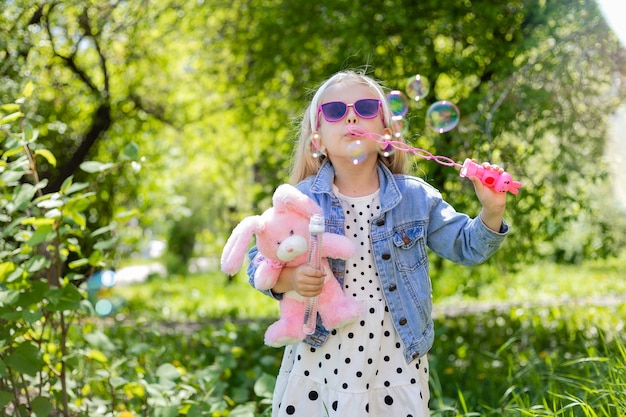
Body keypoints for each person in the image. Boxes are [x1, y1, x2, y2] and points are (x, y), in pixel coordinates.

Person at [246, 70, 509, 416]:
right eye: (336, 111)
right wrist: (288, 281)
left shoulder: (415, 197)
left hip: (395, 361)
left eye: (366, 107)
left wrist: (491, 210)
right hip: (322, 360)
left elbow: (467, 246)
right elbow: (258, 259)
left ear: (387, 134)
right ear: (318, 140)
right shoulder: (300, 199)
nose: (352, 116)